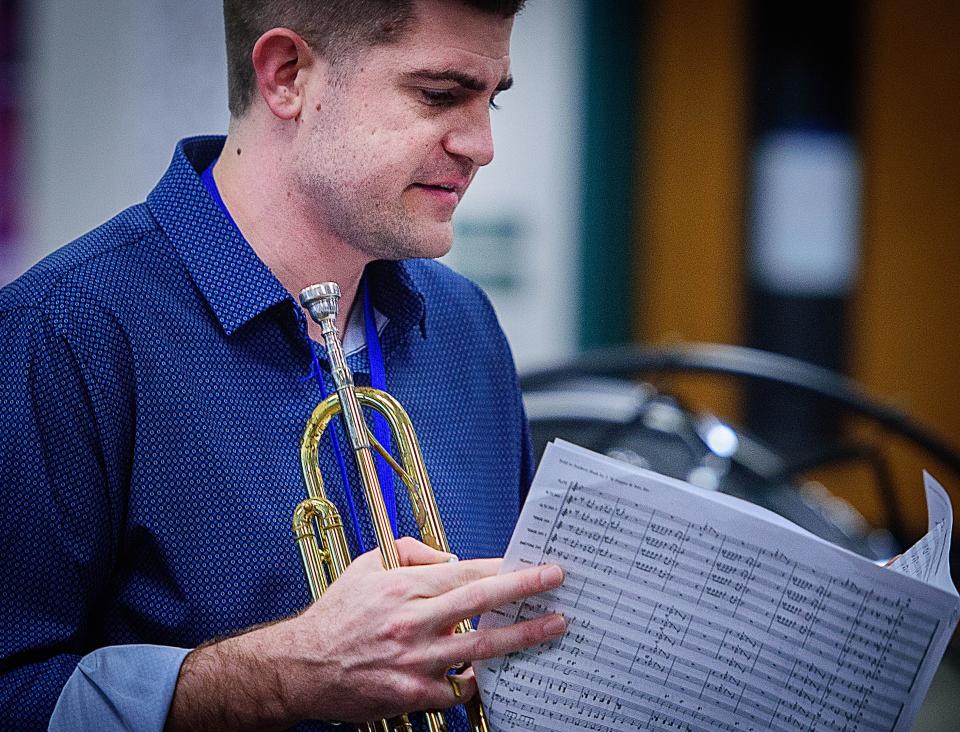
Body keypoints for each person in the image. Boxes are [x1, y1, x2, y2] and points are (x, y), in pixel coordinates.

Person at [0, 1, 567, 729]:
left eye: (492, 98)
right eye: (439, 94)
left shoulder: (466, 324)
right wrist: (276, 679)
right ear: (286, 76)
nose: (482, 145)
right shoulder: (66, 330)